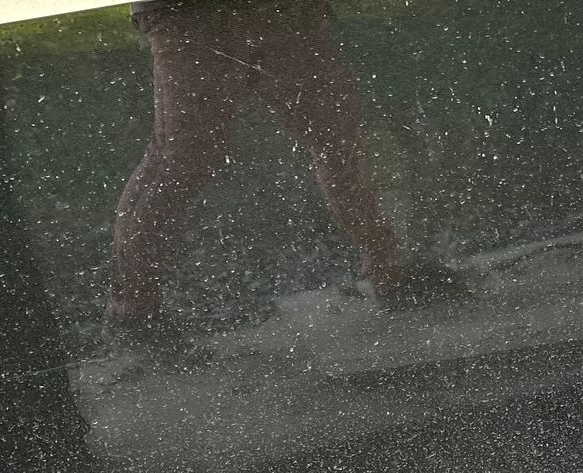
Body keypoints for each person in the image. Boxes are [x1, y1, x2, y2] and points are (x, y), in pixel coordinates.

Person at [110, 0, 453, 358]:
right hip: (197, 14)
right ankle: (134, 312)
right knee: (182, 160)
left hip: (256, 11)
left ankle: (389, 269)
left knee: (334, 137)